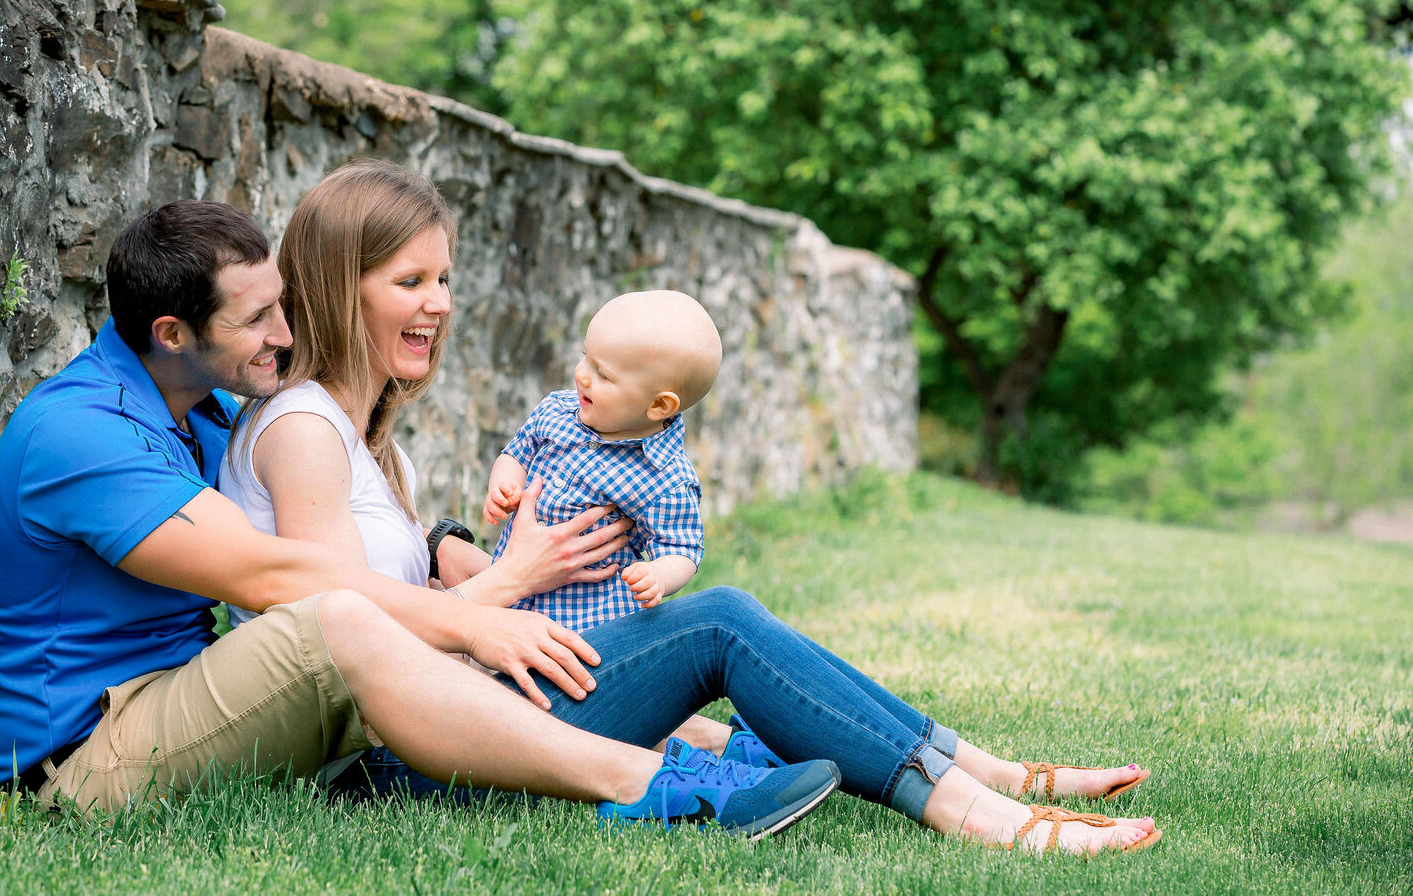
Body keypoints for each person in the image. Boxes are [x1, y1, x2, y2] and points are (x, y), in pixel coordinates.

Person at [222, 158, 1162, 856]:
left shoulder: (364, 436)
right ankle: (984, 809)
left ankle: (986, 774)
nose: (439, 305)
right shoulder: (304, 430)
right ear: (344, 285)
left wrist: (467, 563)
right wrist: (514, 578)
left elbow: (398, 592)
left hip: (458, 713)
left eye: (445, 279)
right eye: (410, 282)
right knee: (719, 623)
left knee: (725, 640)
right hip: (400, 762)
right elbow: (334, 646)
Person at [0, 198, 843, 838]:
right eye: (261, 316)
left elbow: (337, 529)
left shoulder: (201, 403)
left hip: (180, 705)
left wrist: (446, 547)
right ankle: (650, 784)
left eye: (283, 300)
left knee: (375, 618)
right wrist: (475, 620)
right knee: (335, 619)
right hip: (80, 767)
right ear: (173, 332)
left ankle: (730, 753)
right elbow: (273, 574)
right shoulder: (80, 433)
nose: (287, 327)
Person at [481, 290, 718, 630]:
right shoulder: (556, 412)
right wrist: (504, 485)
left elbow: (682, 546)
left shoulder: (665, 478)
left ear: (659, 406)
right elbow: (517, 453)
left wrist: (658, 576)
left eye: (603, 375)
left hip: (585, 625)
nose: (582, 375)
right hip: (508, 600)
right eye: (584, 357)